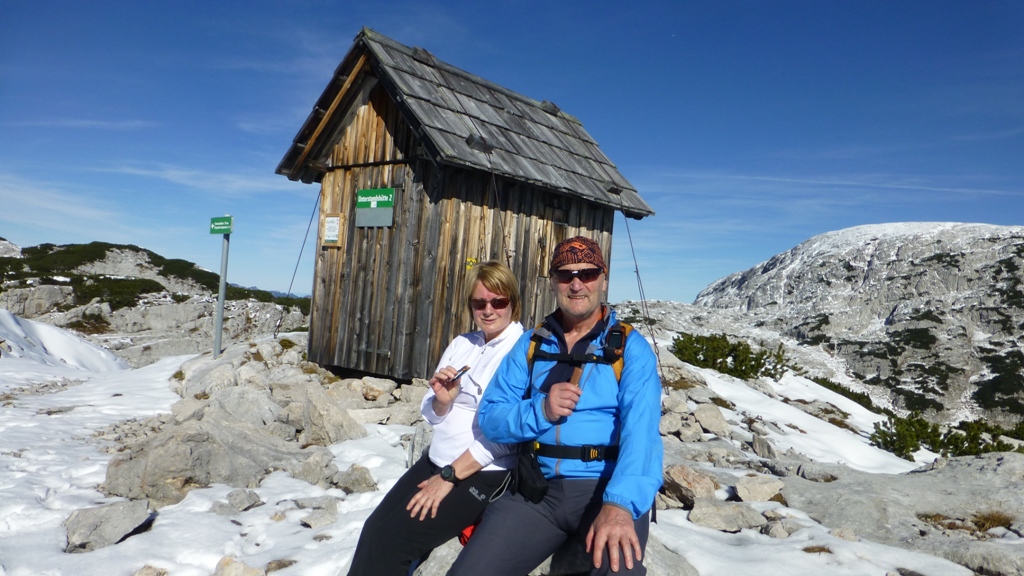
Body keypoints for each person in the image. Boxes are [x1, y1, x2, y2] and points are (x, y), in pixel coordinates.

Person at [447, 237, 663, 576]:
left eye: (588, 273)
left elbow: (643, 434)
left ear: (603, 278)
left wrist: (620, 505)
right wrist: (541, 410)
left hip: (606, 488)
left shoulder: (630, 349)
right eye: (565, 275)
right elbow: (491, 417)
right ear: (553, 282)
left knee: (619, 571)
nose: (576, 284)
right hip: (538, 492)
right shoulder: (532, 343)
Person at [347, 261, 525, 576]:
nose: (488, 310)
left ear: (513, 302)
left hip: (480, 474)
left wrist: (449, 477)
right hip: (435, 460)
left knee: (393, 543)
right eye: (478, 303)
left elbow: (507, 437)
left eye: (498, 302)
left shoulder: (521, 351)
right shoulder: (462, 344)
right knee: (373, 528)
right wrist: (443, 402)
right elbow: (430, 412)